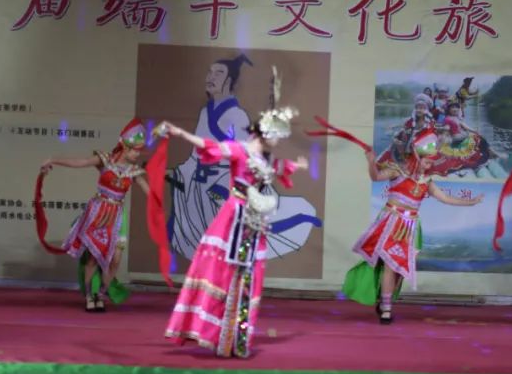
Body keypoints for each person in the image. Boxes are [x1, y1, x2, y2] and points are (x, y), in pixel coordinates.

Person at [161, 68, 308, 358]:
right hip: (234, 219)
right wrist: (181, 133)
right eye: (277, 137)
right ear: (265, 134)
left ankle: (235, 339)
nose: (278, 143)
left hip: (254, 222)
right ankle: (216, 333)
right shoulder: (240, 151)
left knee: (247, 276)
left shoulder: (265, 158)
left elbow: (278, 168)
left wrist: (297, 166)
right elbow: (211, 147)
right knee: (225, 272)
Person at [166, 52, 320, 262]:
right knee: (218, 251)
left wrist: (295, 166)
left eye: (218, 73)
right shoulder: (223, 130)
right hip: (223, 197)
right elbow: (209, 148)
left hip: (241, 205)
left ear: (230, 81)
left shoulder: (237, 117)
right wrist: (182, 147)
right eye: (210, 72)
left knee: (246, 257)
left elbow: (274, 165)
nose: (211, 77)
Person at [344, 129, 482, 323]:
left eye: (432, 162)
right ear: (417, 156)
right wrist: (371, 161)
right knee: (390, 265)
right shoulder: (397, 171)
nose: (429, 165)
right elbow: (375, 177)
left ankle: (384, 300)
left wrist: (470, 202)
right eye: (427, 161)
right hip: (392, 222)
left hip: (410, 228)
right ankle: (386, 309)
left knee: (399, 270)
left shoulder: (427, 182)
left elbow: (446, 198)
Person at [39, 119, 153, 312]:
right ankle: (89, 296)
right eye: (135, 150)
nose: (137, 154)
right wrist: (53, 159)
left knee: (115, 260)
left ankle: (101, 293)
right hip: (98, 211)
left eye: (139, 151)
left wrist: (158, 197)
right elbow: (80, 162)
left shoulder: (134, 171)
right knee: (92, 258)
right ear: (125, 147)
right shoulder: (105, 160)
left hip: (117, 216)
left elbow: (149, 192)